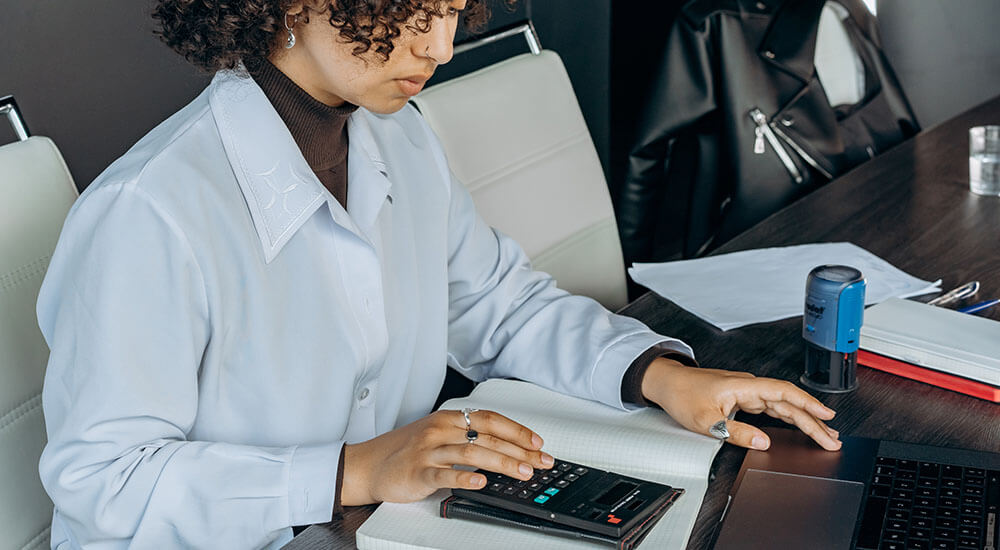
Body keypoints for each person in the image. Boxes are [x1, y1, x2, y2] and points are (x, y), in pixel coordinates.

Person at [36, 1, 841, 548]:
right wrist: (352, 469)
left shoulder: (400, 141)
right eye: (411, 9)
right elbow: (103, 480)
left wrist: (656, 375)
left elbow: (496, 304)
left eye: (453, 10)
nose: (439, 46)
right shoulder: (150, 211)